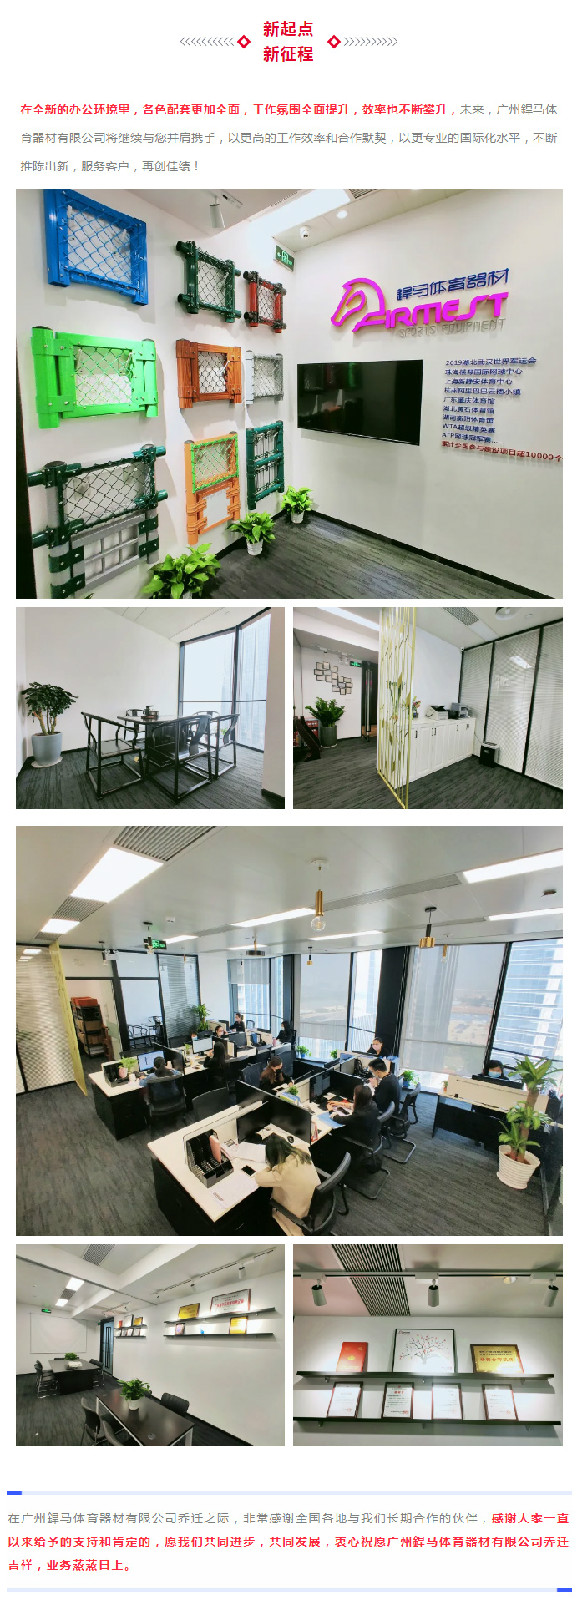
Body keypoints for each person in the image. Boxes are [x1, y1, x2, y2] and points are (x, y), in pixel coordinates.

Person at [253, 1133, 320, 1236]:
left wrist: (270, 1167)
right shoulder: (303, 1151)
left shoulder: (282, 1172)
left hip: (299, 1213)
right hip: (316, 1202)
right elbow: (298, 1145)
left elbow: (259, 1179)